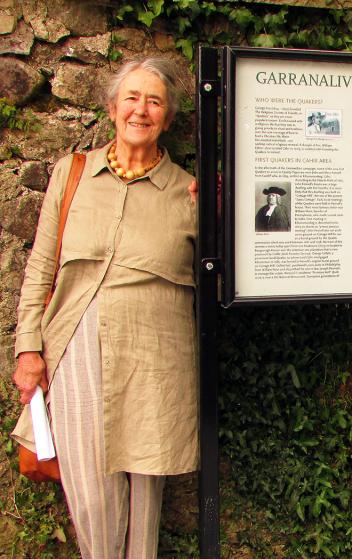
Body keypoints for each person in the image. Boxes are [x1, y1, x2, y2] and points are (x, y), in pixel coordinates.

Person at [11, 57, 198, 558]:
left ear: (168, 117)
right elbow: (41, 265)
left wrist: (223, 206)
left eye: (154, 101)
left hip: (156, 349)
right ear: (113, 107)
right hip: (78, 341)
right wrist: (28, 348)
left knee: (144, 489)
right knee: (90, 487)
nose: (142, 110)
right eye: (132, 98)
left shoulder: (189, 191)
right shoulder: (71, 174)